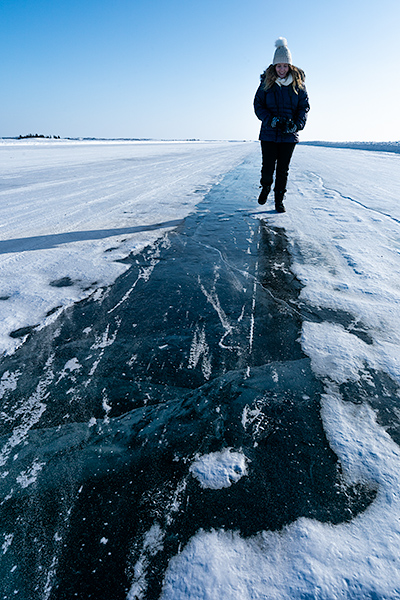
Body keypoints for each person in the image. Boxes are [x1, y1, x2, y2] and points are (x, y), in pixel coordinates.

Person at [254, 37, 310, 212]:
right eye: (279, 66)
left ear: (290, 66)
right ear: (274, 67)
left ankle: (279, 200)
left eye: (285, 66)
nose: (282, 69)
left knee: (283, 170)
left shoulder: (298, 85)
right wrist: (271, 120)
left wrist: (296, 125)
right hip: (269, 133)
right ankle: (265, 188)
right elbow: (258, 105)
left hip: (288, 135)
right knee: (268, 166)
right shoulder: (266, 84)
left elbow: (304, 107)